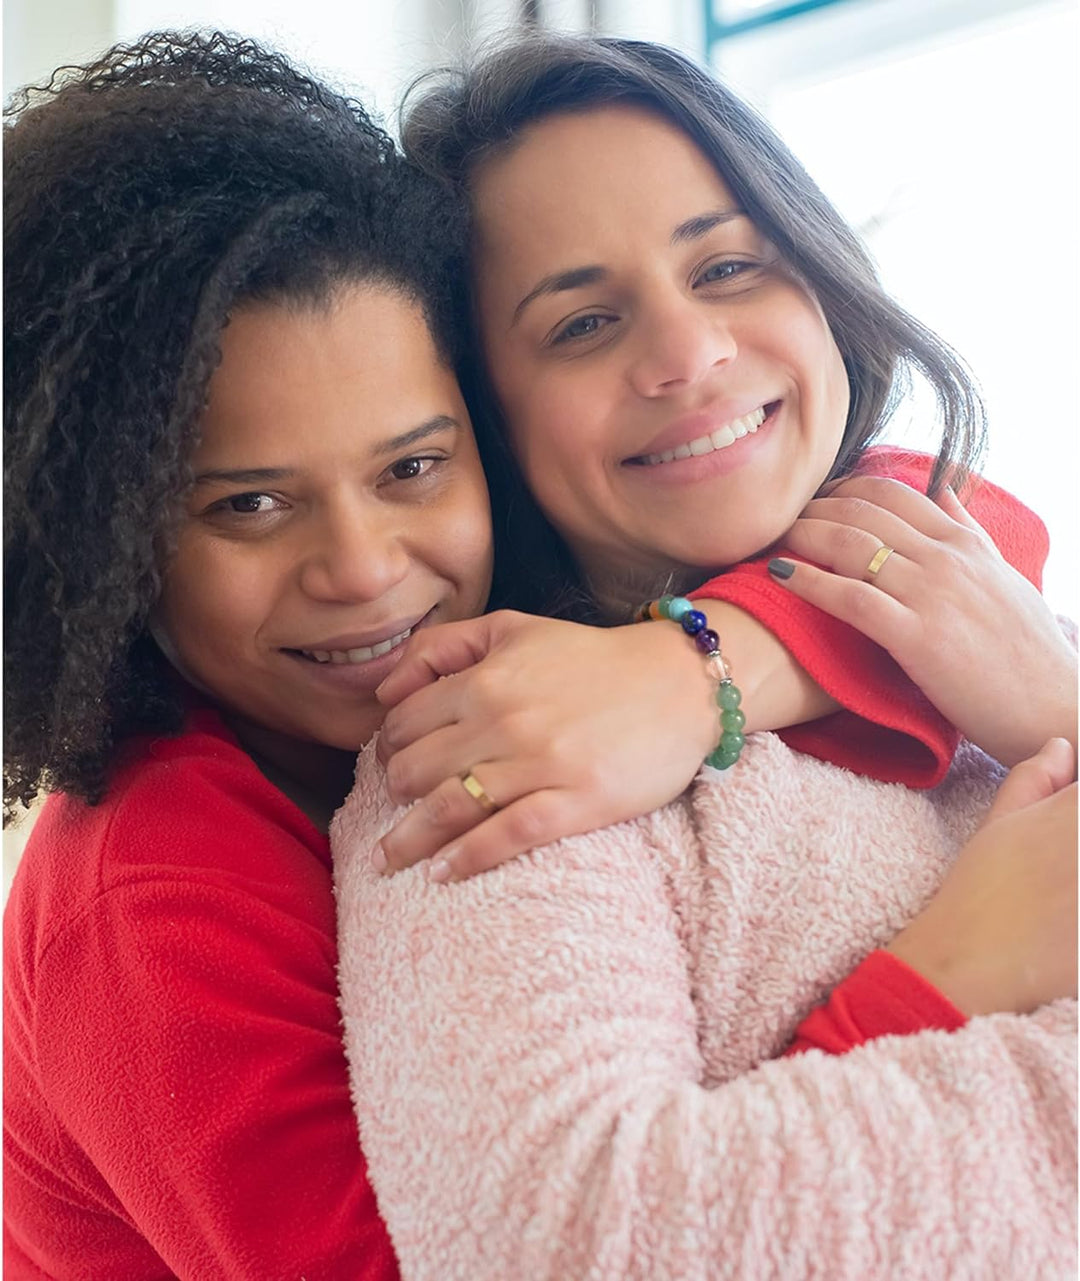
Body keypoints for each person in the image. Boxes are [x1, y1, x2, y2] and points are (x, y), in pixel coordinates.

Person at [330, 31, 1078, 1280]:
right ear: (478, 413)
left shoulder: (976, 601)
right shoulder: (494, 758)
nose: (688, 355)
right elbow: (581, 1245)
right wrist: (947, 984)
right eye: (581, 323)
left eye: (730, 264)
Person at [3, 31, 491, 1278]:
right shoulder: (151, 907)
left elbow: (919, 514)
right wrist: (934, 990)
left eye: (411, 468)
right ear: (104, 543)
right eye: (249, 507)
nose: (364, 568)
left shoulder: (472, 660)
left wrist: (718, 661)